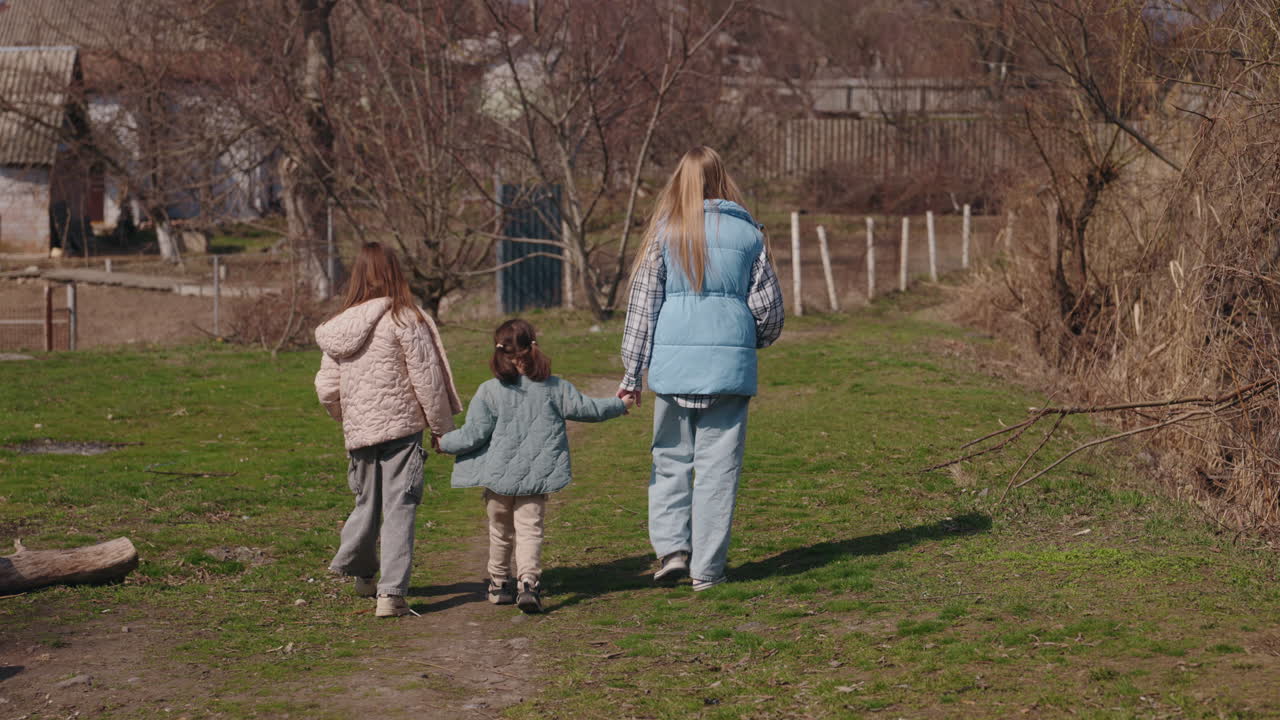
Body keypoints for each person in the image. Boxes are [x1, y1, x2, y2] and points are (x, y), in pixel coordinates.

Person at [618, 146, 785, 592]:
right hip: (729, 370)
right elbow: (769, 311)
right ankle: (707, 571)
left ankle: (673, 550)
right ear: (721, 178)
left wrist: (632, 374)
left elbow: (642, 307)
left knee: (669, 460)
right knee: (718, 469)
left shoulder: (664, 233)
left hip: (673, 368)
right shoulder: (750, 235)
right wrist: (749, 342)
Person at [436, 319, 633, 613]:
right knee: (529, 530)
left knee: (499, 531)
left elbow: (473, 434)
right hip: (537, 478)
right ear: (533, 348)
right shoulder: (555, 387)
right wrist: (620, 404)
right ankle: (528, 583)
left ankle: (499, 584)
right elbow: (588, 409)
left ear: (499, 353)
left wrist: (443, 443)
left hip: (498, 479)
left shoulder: (489, 391)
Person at [314, 242, 463, 618]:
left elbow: (326, 388)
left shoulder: (339, 327)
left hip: (360, 432)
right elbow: (426, 379)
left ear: (357, 276)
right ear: (395, 272)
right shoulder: (405, 319)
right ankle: (391, 594)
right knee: (400, 507)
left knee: (366, 503)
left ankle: (362, 573)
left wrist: (346, 417)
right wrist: (442, 428)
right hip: (402, 430)